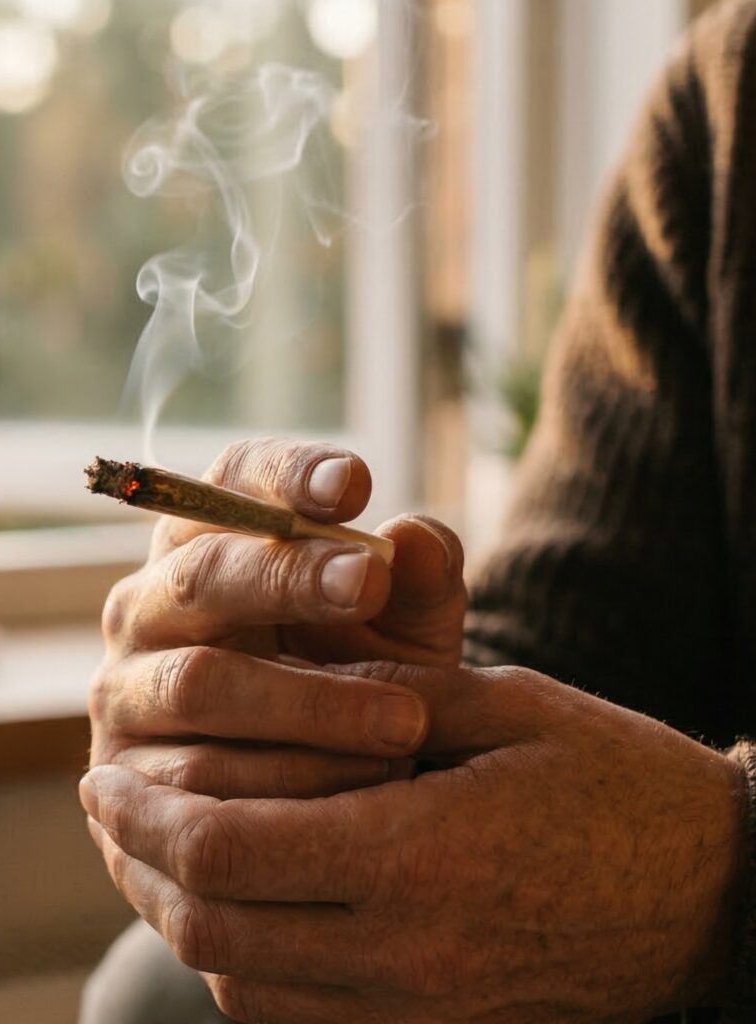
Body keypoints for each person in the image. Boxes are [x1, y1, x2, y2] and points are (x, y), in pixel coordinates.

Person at [79, 1, 756, 1020]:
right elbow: (576, 634)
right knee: (159, 992)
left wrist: (725, 876)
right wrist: (344, 691)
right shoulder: (729, 98)